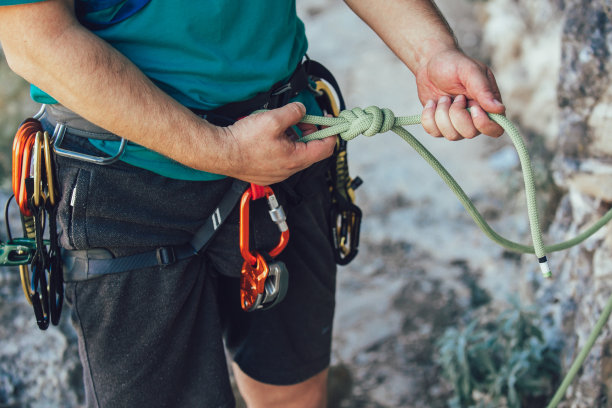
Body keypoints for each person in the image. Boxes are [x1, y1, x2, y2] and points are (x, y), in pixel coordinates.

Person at [0, 1, 505, 407]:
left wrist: (430, 52)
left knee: (295, 388)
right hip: (124, 178)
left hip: (282, 138)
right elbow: (35, 38)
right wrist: (224, 152)